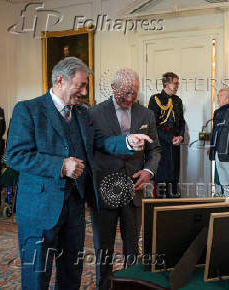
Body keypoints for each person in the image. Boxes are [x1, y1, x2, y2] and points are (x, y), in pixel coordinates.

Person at [6, 57, 151, 290]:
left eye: (86, 86)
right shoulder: (28, 109)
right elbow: (15, 156)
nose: (85, 92)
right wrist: (60, 166)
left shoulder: (82, 114)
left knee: (72, 270)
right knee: (37, 274)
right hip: (39, 210)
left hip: (74, 208)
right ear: (60, 80)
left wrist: (128, 141)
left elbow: (102, 143)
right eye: (81, 85)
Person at [89, 69, 161, 289]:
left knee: (133, 246)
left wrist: (148, 171)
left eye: (134, 93)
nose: (130, 98)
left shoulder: (146, 114)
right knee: (104, 246)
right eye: (125, 93)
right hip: (104, 189)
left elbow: (155, 150)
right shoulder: (94, 114)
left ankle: (131, 285)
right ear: (112, 88)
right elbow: (90, 148)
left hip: (135, 188)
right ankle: (104, 285)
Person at [148, 72, 185, 197]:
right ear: (166, 84)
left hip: (175, 145)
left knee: (174, 179)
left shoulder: (177, 100)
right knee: (161, 180)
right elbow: (153, 125)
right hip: (161, 145)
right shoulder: (155, 99)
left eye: (177, 83)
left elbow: (181, 122)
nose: (177, 86)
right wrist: (170, 138)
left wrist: (181, 136)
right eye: (175, 83)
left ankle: (174, 211)